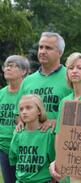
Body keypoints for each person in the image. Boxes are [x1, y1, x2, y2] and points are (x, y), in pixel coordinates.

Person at [16, 32, 72, 131]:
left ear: (60, 52)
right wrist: (20, 122)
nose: (42, 51)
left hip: (57, 141)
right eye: (41, 47)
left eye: (48, 48)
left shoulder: (70, 77)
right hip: (32, 142)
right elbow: (17, 113)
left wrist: (57, 121)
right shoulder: (28, 81)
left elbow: (78, 112)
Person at [9, 94, 55, 182]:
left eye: (28, 107)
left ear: (39, 111)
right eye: (21, 109)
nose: (24, 112)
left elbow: (54, 160)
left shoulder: (48, 134)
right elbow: (14, 158)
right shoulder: (18, 134)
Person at [0, 55, 30, 183]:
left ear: (23, 71)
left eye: (12, 66)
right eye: (6, 65)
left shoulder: (29, 93)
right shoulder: (1, 93)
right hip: (4, 148)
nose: (7, 68)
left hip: (25, 147)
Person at [55, 52, 81, 133]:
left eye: (79, 68)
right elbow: (59, 132)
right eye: (71, 68)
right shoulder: (64, 101)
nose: (74, 71)